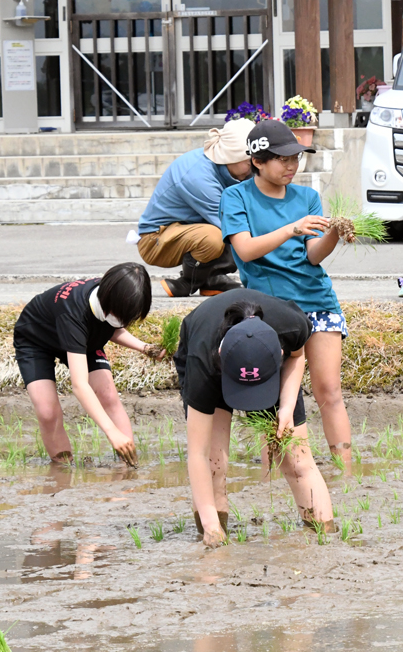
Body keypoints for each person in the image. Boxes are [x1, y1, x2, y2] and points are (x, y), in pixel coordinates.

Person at [220, 119, 355, 469]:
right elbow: (246, 250)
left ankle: (346, 472)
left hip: (317, 301)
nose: (292, 166)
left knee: (330, 392)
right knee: (273, 399)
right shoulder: (236, 197)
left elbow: (313, 255)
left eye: (296, 158)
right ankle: (273, 475)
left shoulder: (307, 196)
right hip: (269, 312)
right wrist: (290, 228)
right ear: (257, 161)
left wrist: (334, 234)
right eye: (282, 159)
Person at [173, 289, 334, 547]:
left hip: (265, 362)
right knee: (214, 462)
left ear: (278, 353)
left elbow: (298, 356)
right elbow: (197, 454)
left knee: (297, 459)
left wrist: (287, 406)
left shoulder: (291, 325)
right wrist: (211, 527)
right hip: (209, 359)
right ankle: (214, 539)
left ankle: (324, 539)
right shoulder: (202, 361)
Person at [13, 263, 156, 466]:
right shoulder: (73, 314)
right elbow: (80, 386)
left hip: (83, 339)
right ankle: (63, 472)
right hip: (36, 340)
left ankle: (129, 465)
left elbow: (113, 327)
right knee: (47, 412)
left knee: (108, 395)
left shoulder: (113, 294)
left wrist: (145, 347)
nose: (123, 322)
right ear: (107, 302)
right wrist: (111, 432)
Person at [137, 118, 255, 297]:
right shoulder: (198, 176)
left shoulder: (233, 169)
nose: (254, 166)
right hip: (155, 239)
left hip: (190, 227)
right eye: (250, 161)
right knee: (218, 237)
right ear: (232, 156)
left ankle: (211, 280)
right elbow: (232, 225)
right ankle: (187, 283)